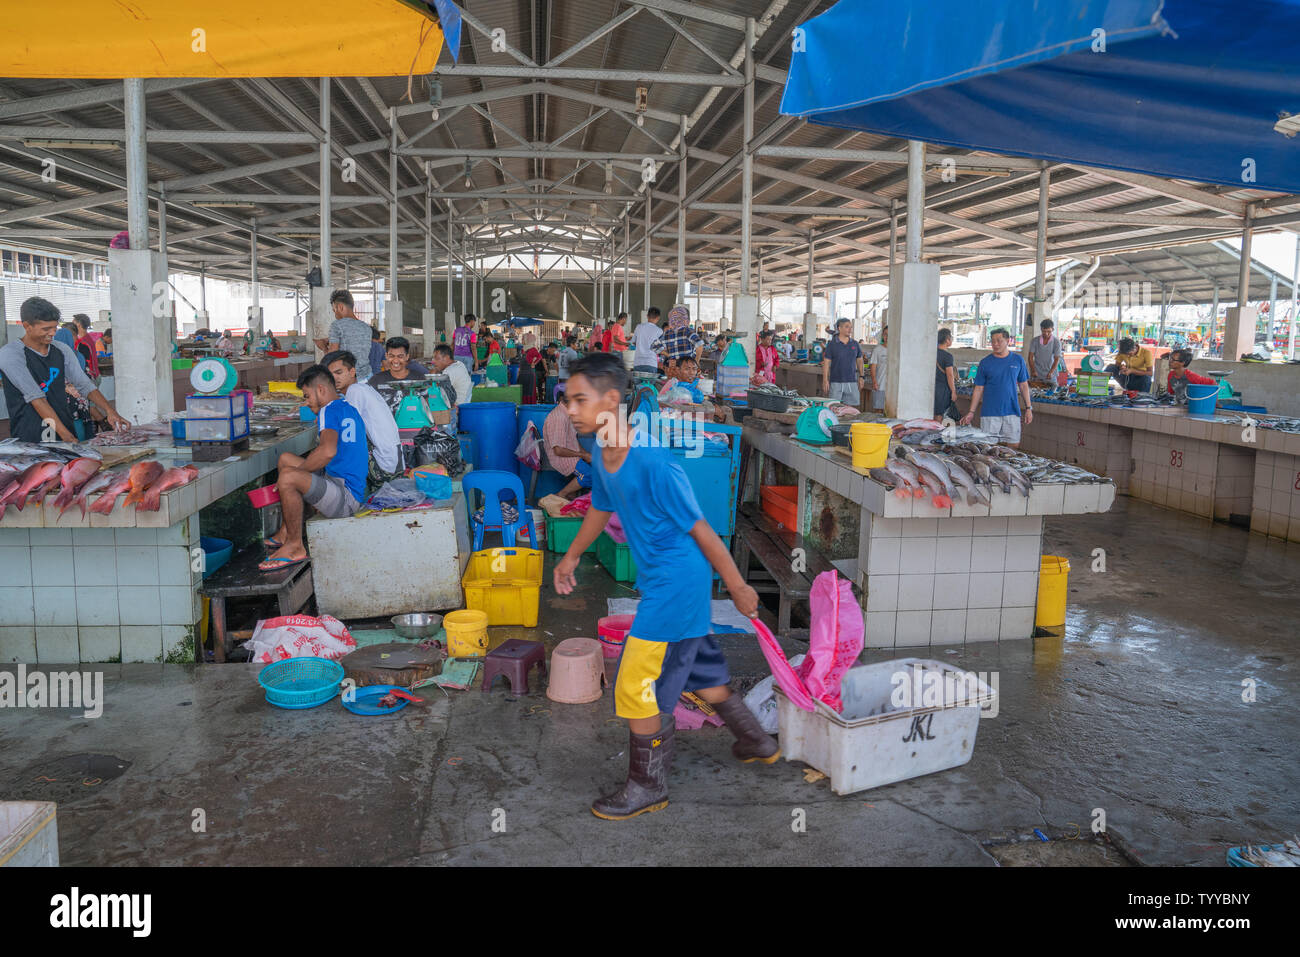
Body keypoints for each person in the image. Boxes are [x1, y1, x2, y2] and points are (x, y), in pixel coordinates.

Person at [552, 352, 769, 821]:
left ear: (611, 399)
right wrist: (570, 555)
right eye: (567, 399)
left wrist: (737, 586)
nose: (570, 408)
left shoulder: (652, 460)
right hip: (664, 581)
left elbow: (703, 530)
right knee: (700, 670)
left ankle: (647, 785)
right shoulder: (604, 453)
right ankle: (755, 738)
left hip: (677, 581)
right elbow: (600, 508)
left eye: (578, 399)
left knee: (633, 683)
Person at [261, 364, 368, 571]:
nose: (307, 402)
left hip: (346, 499)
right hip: (340, 482)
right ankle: (286, 532)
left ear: (321, 390)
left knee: (289, 477)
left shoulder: (327, 410)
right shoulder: (345, 407)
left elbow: (327, 451)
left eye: (307, 396)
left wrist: (297, 475)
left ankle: (295, 546)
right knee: (285, 460)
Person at [0, 297, 129, 443]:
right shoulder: (10, 354)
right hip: (30, 432)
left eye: (55, 327)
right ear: (27, 326)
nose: (52, 333)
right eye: (46, 329)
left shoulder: (61, 350)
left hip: (64, 424)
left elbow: (84, 384)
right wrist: (67, 437)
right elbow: (37, 399)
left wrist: (109, 410)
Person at [323, 350, 402, 484]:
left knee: (333, 447)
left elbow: (347, 433)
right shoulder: (363, 388)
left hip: (383, 468)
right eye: (330, 375)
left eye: (339, 373)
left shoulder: (355, 391)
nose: (334, 378)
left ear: (352, 371)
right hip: (394, 464)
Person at [960, 327, 1032, 447]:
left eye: (999, 340)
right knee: (989, 448)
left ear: (1008, 341)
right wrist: (971, 412)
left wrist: (1029, 408)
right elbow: (978, 388)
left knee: (1013, 445)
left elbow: (1024, 385)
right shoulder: (985, 362)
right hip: (990, 412)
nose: (995, 344)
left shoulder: (1018, 360)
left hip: (1012, 411)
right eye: (993, 341)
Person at [542, 386, 593, 499]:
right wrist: (583, 455)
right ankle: (560, 495)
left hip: (569, 454)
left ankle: (571, 495)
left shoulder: (567, 414)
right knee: (589, 475)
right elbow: (558, 450)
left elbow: (573, 441)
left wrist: (586, 455)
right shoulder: (559, 417)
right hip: (561, 458)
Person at [315, 290, 375, 380]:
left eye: (334, 310)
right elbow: (354, 341)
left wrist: (323, 347)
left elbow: (332, 357)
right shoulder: (366, 327)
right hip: (367, 376)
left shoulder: (337, 325)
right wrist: (331, 339)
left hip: (349, 379)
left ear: (340, 307)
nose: (335, 314)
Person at [822, 317, 864, 407]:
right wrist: (825, 380)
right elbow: (826, 363)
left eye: (850, 327)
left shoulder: (855, 344)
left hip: (852, 381)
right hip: (836, 382)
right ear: (839, 328)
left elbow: (860, 360)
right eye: (847, 327)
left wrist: (861, 376)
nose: (850, 329)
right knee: (833, 408)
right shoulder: (832, 344)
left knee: (851, 410)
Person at [430, 343, 474, 429]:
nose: (433, 361)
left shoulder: (449, 371)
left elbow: (438, 392)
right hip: (465, 404)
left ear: (446, 358)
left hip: (457, 409)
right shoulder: (459, 364)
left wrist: (432, 377)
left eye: (436, 358)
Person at [653, 304, 702, 371]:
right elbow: (699, 345)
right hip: (687, 369)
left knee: (674, 381)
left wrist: (669, 356)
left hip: (673, 369)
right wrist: (696, 362)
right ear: (685, 319)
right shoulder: (687, 332)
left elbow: (654, 346)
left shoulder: (667, 334)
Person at [1027, 318, 1062, 387]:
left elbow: (1056, 359)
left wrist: (1051, 372)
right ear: (1041, 329)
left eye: (1049, 331)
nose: (1046, 334)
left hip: (1050, 374)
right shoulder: (1034, 341)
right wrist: (1033, 370)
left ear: (1052, 329)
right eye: (1044, 331)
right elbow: (1030, 357)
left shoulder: (1056, 342)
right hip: (1037, 374)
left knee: (1052, 395)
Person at [935, 328, 958, 421]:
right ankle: (936, 434)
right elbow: (950, 375)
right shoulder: (948, 356)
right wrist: (953, 391)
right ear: (947, 339)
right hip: (942, 389)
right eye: (951, 338)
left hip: (932, 387)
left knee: (933, 413)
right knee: (939, 415)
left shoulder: (932, 353)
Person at [632, 307, 663, 374]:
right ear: (658, 318)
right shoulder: (659, 331)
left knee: (638, 384)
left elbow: (633, 342)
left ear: (647, 316)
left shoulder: (638, 327)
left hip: (638, 362)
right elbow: (659, 349)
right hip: (651, 363)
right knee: (650, 384)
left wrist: (641, 345)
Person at [72, 314, 100, 379]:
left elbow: (83, 363)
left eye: (73, 323)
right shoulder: (86, 338)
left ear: (78, 324)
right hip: (93, 374)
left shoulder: (83, 342)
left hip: (89, 376)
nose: (72, 325)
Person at [868, 327, 889, 411]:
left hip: (893, 388)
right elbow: (873, 367)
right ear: (883, 336)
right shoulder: (877, 350)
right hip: (880, 385)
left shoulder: (897, 349)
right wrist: (874, 382)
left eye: (889, 334)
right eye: (885, 334)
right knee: (878, 411)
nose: (887, 336)